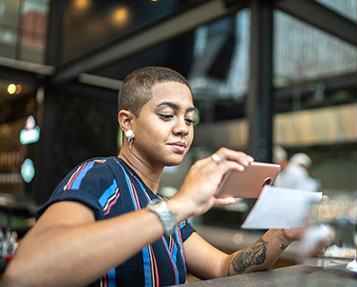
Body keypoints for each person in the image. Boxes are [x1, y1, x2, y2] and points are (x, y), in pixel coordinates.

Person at [2, 67, 309, 287]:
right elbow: (25, 273)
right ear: (127, 123)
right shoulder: (99, 174)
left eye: (189, 119)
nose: (183, 128)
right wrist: (179, 206)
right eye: (167, 115)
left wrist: (282, 233)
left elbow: (224, 268)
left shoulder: (163, 207)